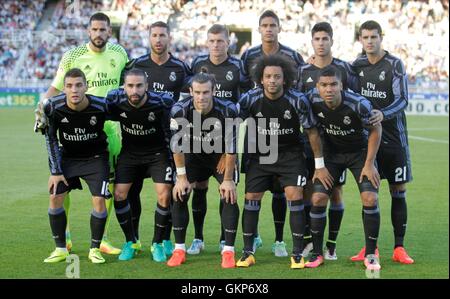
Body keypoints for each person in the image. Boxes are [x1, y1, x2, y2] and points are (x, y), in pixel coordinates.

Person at [35, 12, 127, 255]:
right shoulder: (73, 56)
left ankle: (103, 238)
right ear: (88, 31)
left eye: (103, 29)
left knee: (107, 183)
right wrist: (41, 107)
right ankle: (64, 237)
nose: (98, 34)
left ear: (109, 31)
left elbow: (126, 85)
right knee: (60, 180)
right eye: (94, 29)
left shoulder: (120, 53)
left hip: (110, 130)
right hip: (74, 127)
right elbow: (56, 87)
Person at [236, 54, 331, 269]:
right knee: (251, 197)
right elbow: (232, 124)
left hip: (290, 154)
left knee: (295, 195)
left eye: (276, 77)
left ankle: (297, 253)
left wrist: (319, 165)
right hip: (259, 154)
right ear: (260, 78)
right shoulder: (250, 99)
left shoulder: (297, 100)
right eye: (268, 76)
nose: (272, 81)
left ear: (285, 79)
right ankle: (248, 251)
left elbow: (312, 133)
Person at [240, 10, 305, 257]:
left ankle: (280, 240)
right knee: (254, 191)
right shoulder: (248, 55)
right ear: (259, 29)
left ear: (279, 28)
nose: (269, 29)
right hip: (258, 134)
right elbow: (243, 88)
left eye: (272, 25)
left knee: (282, 191)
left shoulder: (292, 56)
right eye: (264, 25)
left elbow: (297, 88)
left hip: (285, 136)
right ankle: (252, 240)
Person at [304, 65, 382, 271]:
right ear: (318, 87)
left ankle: (371, 254)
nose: (328, 89)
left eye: (333, 85)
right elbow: (312, 132)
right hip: (332, 154)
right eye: (324, 85)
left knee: (370, 198)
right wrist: (319, 166)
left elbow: (376, 129)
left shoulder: (358, 104)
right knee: (318, 198)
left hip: (360, 153)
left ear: (341, 86)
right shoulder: (311, 100)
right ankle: (317, 253)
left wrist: (369, 163)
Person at [126, 21, 192, 256]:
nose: (158, 39)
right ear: (149, 37)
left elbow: (187, 102)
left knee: (171, 190)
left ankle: (164, 240)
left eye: (162, 35)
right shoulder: (136, 65)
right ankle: (132, 241)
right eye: (154, 35)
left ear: (169, 38)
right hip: (136, 138)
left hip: (169, 141)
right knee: (131, 191)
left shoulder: (181, 67)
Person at [351, 20, 414, 264]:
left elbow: (403, 99)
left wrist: (383, 114)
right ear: (360, 39)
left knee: (398, 191)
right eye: (365, 37)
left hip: (395, 141)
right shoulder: (356, 65)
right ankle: (371, 249)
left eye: (373, 37)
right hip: (368, 142)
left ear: (381, 37)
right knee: (369, 194)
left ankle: (399, 248)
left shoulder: (394, 64)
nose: (369, 41)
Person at [187, 24, 251, 254]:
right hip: (199, 141)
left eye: (220, 41)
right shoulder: (196, 64)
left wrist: (227, 152)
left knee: (227, 189)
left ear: (228, 42)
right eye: (212, 41)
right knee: (199, 187)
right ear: (207, 42)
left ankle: (226, 239)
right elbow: (188, 102)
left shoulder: (238, 66)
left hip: (227, 141)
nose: (216, 45)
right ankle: (198, 238)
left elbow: (244, 104)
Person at [297, 21, 358, 260]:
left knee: (335, 191)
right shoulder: (303, 71)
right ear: (311, 42)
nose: (321, 43)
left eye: (325, 39)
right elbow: (299, 103)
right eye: (317, 39)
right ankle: (310, 242)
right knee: (307, 191)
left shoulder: (344, 68)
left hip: (336, 145)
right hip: (309, 141)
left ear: (332, 41)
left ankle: (331, 245)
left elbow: (353, 100)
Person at [167, 72, 239, 268]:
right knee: (180, 193)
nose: (201, 97)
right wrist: (181, 178)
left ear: (214, 91)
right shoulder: (179, 110)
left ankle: (228, 251)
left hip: (220, 156)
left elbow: (232, 146)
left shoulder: (228, 109)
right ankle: (180, 249)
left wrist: (228, 179)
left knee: (229, 194)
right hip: (193, 156)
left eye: (206, 92)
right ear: (190, 92)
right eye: (197, 92)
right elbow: (177, 146)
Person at [42, 68, 111, 264]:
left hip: (96, 158)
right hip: (68, 158)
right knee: (55, 196)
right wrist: (55, 171)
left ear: (86, 87)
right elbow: (51, 140)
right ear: (63, 89)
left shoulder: (101, 106)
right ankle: (61, 249)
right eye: (70, 86)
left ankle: (95, 249)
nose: (75, 90)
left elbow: (123, 117)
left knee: (99, 201)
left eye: (79, 85)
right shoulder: (53, 107)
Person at [105, 68, 175, 262]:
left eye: (138, 86)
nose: (134, 90)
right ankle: (131, 241)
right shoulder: (115, 100)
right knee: (119, 194)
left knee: (164, 194)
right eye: (130, 86)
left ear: (147, 86)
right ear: (124, 87)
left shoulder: (161, 102)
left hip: (157, 154)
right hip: (130, 154)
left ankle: (157, 243)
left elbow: (177, 126)